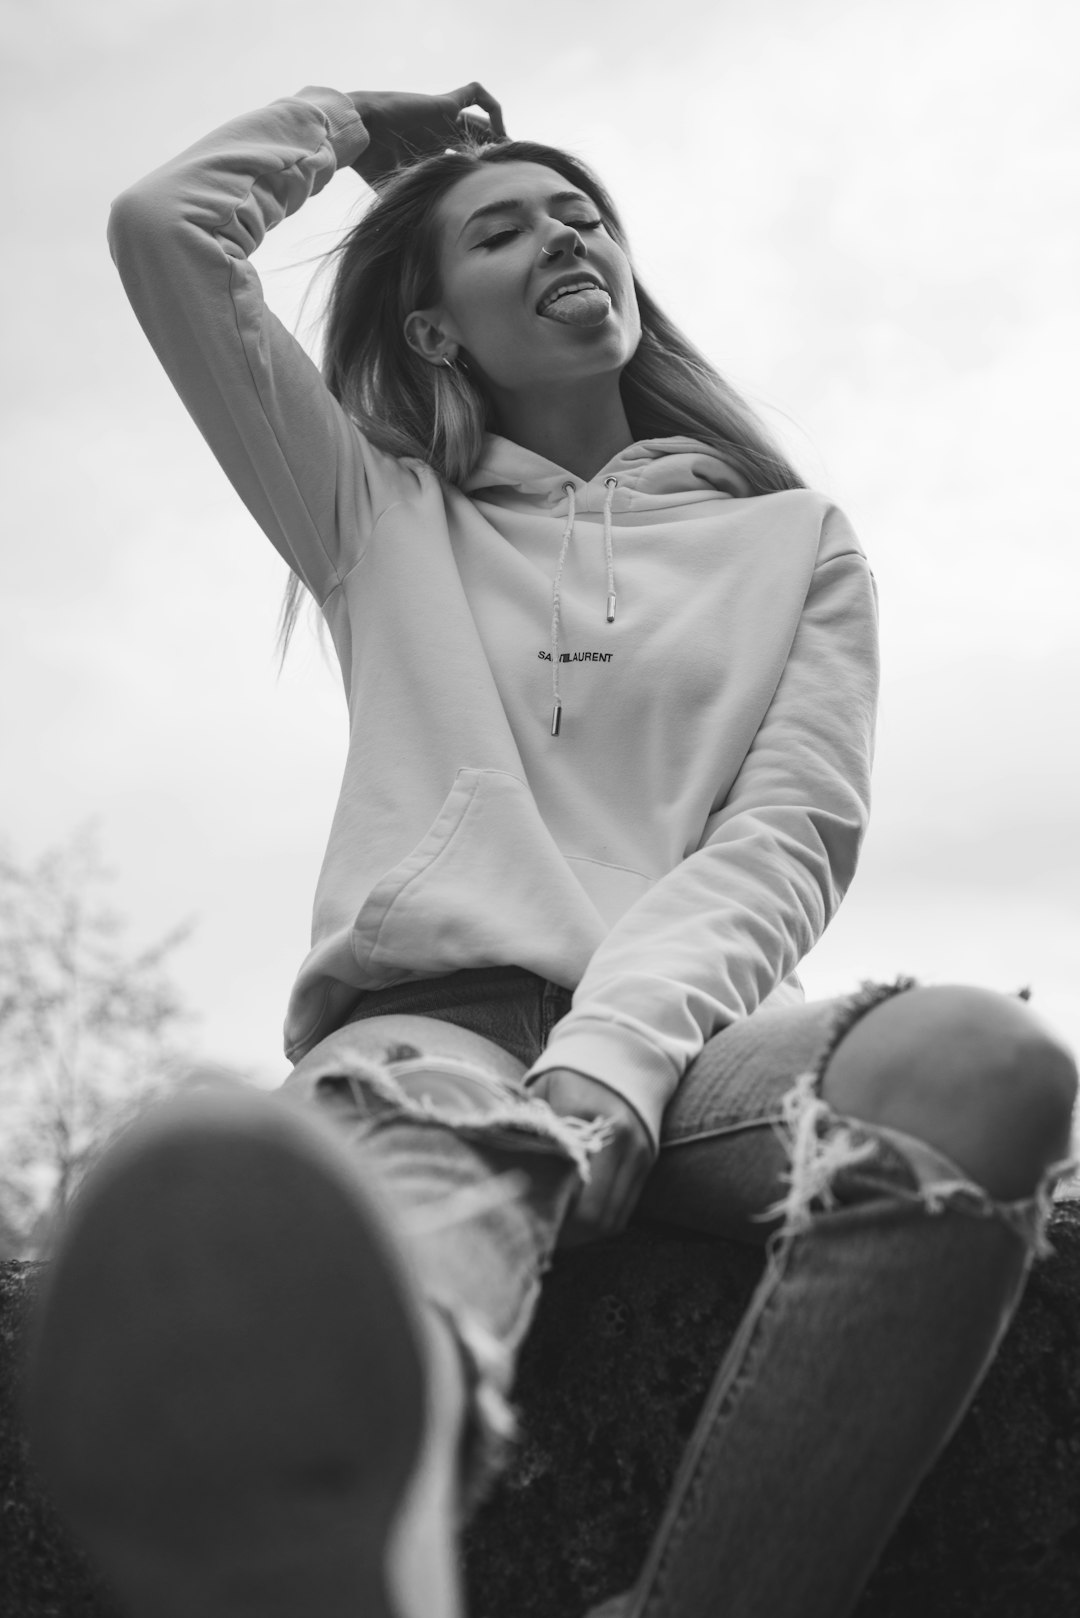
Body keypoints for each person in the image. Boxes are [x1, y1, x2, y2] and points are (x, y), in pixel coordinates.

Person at [26, 80, 1079, 1618]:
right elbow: (162, 234)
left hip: (691, 1061)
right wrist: (350, 125)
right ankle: (351, 1520)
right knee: (434, 1171)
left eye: (580, 210)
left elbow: (783, 847)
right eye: (501, 227)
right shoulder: (375, 512)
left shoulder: (798, 545)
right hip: (434, 1035)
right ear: (438, 326)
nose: (563, 233)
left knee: (985, 1066)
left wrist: (612, 1061)